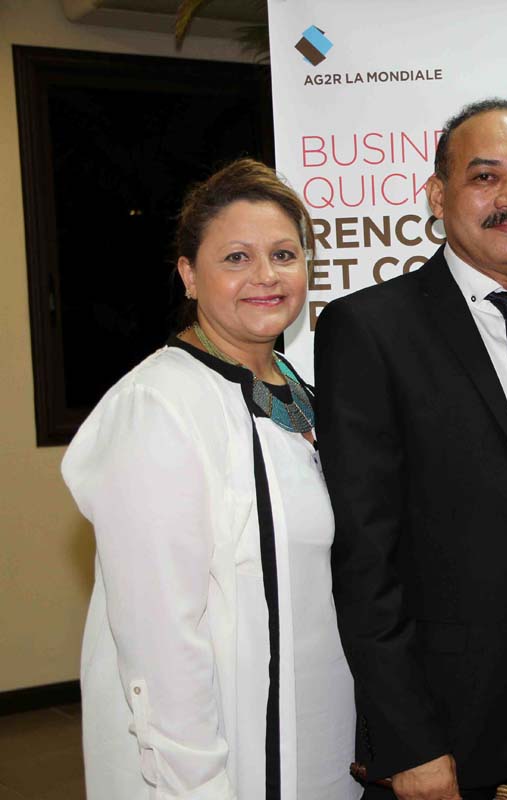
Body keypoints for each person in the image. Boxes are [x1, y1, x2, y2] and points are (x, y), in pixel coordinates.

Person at [314, 98, 507, 800]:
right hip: (446, 735)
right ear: (437, 196)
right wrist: (409, 740)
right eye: (486, 177)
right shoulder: (369, 331)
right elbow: (366, 558)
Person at [62, 159, 360, 799]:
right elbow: (160, 638)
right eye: (236, 258)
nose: (265, 275)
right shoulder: (159, 405)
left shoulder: (304, 392)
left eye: (284, 254)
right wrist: (196, 783)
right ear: (189, 275)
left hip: (323, 740)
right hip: (224, 761)